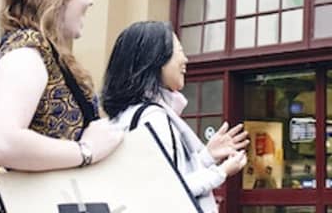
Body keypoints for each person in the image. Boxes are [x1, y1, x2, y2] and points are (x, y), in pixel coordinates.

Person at [0, 0, 123, 186]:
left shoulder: (43, 53)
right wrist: (86, 150)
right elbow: (0, 141)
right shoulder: (27, 51)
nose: (90, 0)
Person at [101, 21, 248, 213]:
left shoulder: (126, 114)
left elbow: (160, 178)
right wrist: (221, 171)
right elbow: (169, 190)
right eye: (178, 51)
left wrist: (207, 156)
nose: (185, 60)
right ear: (156, 59)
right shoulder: (152, 116)